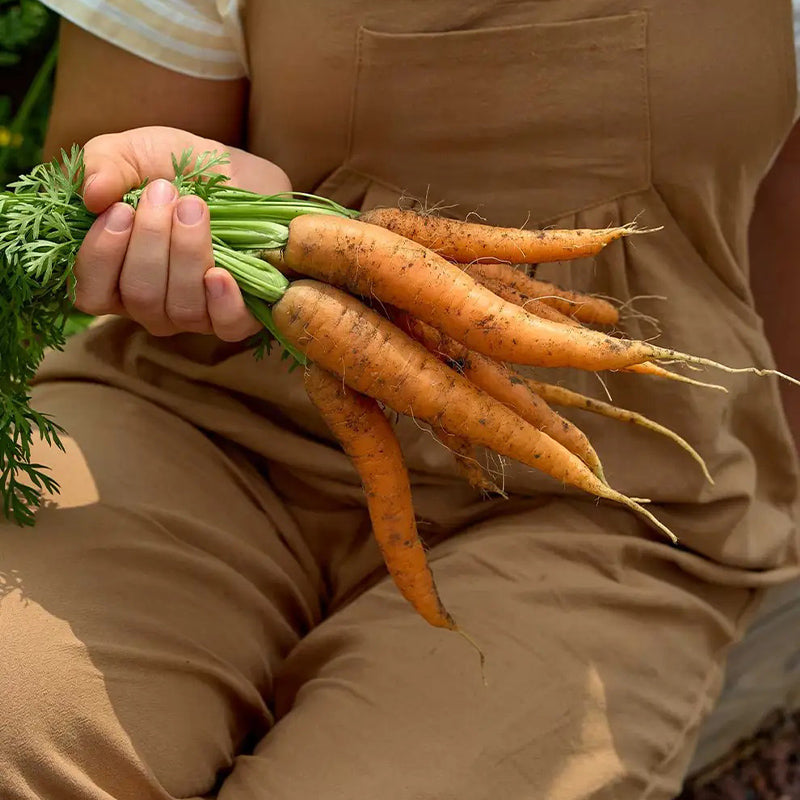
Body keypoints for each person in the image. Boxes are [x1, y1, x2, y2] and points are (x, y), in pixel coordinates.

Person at [2, 2, 799, 798]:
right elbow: (92, 173)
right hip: (202, 421)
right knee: (21, 724)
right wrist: (153, 206)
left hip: (603, 501)